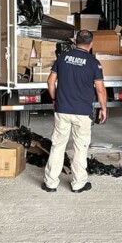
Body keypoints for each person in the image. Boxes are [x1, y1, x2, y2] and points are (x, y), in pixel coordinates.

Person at [42, 30, 107, 193]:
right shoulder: (94, 63)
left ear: (75, 42)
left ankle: (50, 183)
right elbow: (100, 89)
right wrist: (103, 108)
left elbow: (50, 82)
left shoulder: (62, 58)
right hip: (83, 112)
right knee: (80, 147)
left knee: (57, 145)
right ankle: (78, 184)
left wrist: (55, 99)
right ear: (91, 44)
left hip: (62, 110)